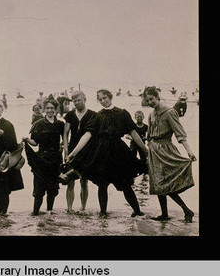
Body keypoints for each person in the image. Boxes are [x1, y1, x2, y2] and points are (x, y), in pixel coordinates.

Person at [66, 89, 148, 218]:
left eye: (105, 98)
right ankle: (103, 212)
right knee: (102, 183)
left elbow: (133, 132)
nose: (103, 101)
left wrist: (145, 150)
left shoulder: (122, 113)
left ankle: (137, 211)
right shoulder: (97, 116)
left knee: (125, 183)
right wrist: (74, 153)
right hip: (101, 152)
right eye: (100, 99)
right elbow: (88, 134)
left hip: (119, 152)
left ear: (110, 97)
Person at [143, 87, 197, 222]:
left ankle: (187, 210)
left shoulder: (169, 112)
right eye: (147, 100)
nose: (150, 102)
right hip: (154, 151)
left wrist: (189, 151)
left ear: (158, 97)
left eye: (152, 99)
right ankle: (164, 214)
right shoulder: (151, 114)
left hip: (166, 151)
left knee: (166, 184)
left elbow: (180, 133)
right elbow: (148, 135)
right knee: (157, 183)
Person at [23, 96, 64, 216]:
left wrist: (62, 147)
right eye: (47, 108)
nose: (50, 110)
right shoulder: (39, 124)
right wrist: (27, 140)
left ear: (56, 109)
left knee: (52, 188)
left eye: (52, 108)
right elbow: (35, 143)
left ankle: (49, 211)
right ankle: (35, 212)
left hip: (55, 159)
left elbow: (65, 139)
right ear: (44, 109)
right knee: (39, 188)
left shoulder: (60, 124)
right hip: (41, 159)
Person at [0, 98, 24, 217]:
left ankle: (3, 212)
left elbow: (12, 145)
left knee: (4, 188)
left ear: (2, 109)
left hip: (4, 160)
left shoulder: (7, 125)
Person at [63, 91, 96, 213]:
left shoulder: (92, 115)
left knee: (84, 181)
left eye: (79, 100)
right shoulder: (70, 115)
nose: (76, 102)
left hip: (86, 151)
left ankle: (83, 208)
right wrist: (66, 151)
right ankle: (70, 208)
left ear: (85, 99)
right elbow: (65, 134)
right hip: (71, 149)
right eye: (74, 100)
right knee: (69, 180)